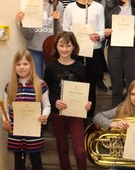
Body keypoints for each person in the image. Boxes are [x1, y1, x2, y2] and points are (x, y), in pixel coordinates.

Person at [44, 31, 91, 170]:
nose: (64, 49)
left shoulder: (80, 67)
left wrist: (88, 103)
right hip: (58, 112)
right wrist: (54, 102)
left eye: (68, 46)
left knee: (80, 151)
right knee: (62, 147)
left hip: (76, 113)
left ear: (74, 47)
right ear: (56, 47)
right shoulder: (50, 67)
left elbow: (86, 90)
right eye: (61, 45)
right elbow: (46, 90)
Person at [62, 0, 105, 118]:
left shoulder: (98, 7)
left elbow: (101, 30)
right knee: (75, 84)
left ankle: (89, 118)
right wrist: (72, 38)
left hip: (93, 51)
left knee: (90, 85)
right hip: (75, 53)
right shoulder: (70, 7)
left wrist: (98, 36)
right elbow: (65, 29)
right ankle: (74, 115)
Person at [2, 49, 51, 170]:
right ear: (14, 66)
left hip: (34, 132)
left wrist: (44, 116)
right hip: (15, 132)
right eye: (18, 64)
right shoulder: (10, 86)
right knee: (18, 162)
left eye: (25, 64)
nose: (22, 67)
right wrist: (5, 120)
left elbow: (47, 106)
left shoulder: (41, 85)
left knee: (36, 162)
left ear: (31, 65)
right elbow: (6, 107)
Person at [15, 0, 64, 78]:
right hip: (34, 48)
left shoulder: (58, 5)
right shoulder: (30, 4)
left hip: (52, 48)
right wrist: (22, 23)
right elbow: (28, 36)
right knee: (38, 80)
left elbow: (61, 32)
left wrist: (58, 20)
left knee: (53, 79)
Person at [81, 0, 109, 91]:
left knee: (99, 49)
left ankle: (98, 78)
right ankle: (87, 78)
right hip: (86, 17)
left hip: (99, 15)